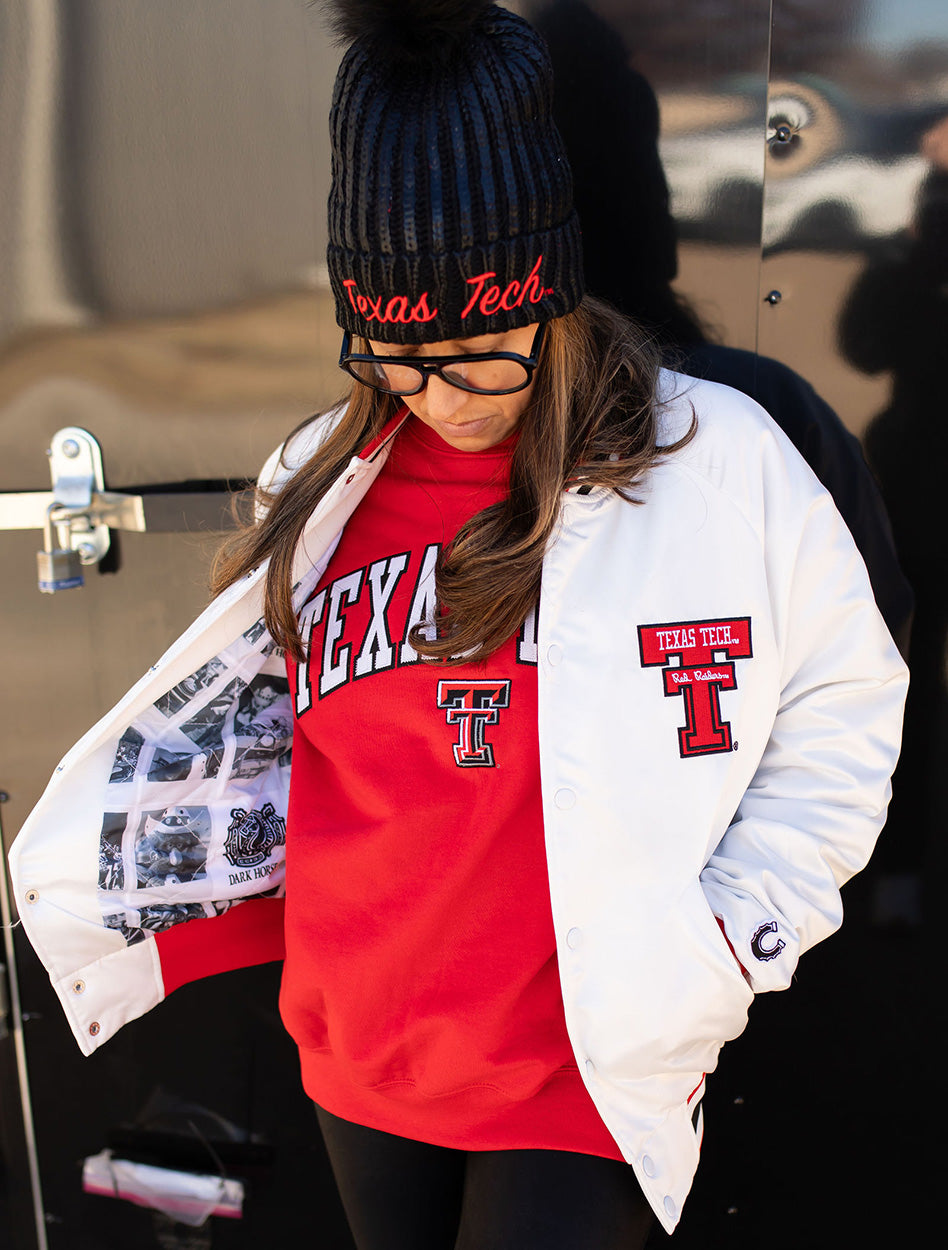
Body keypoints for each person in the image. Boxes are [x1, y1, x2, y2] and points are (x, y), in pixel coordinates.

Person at [9, 3, 907, 1248]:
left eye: (479, 349)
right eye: (395, 353)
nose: (440, 397)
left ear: (550, 294)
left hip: (580, 1074)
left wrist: (732, 937)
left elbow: (846, 707)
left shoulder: (714, 464)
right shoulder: (318, 479)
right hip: (363, 1058)